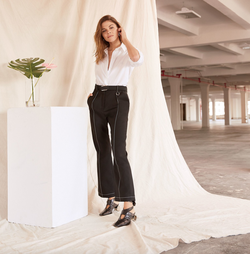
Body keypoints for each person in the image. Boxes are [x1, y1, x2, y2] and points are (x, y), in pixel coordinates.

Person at [87, 15, 144, 228]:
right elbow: (100, 78)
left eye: (111, 27)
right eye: (104, 30)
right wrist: (92, 98)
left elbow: (138, 59)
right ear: (100, 34)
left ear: (118, 29)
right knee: (102, 149)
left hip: (119, 99)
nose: (108, 32)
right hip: (98, 98)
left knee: (119, 152)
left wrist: (126, 39)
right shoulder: (100, 53)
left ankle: (129, 206)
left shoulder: (125, 51)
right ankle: (110, 198)